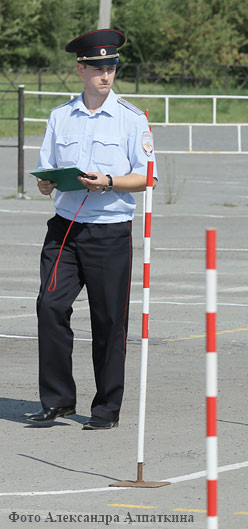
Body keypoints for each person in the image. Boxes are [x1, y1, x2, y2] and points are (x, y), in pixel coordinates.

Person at [26, 29, 157, 429]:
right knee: (49, 307)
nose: (106, 74)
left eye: (112, 67)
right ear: (80, 69)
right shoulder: (60, 116)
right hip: (65, 229)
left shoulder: (132, 119)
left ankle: (105, 409)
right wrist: (45, 182)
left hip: (109, 231)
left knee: (107, 321)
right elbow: (46, 170)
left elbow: (147, 177)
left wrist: (110, 182)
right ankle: (59, 400)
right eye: (98, 67)